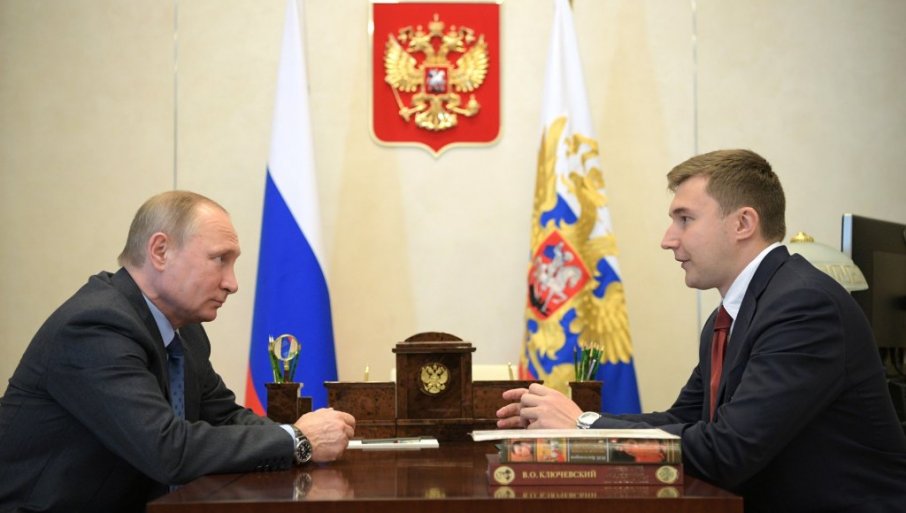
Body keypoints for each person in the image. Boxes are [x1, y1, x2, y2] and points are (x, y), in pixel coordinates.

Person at [497, 150, 906, 512]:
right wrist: (568, 424)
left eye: (685, 219)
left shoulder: (803, 306)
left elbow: (728, 450)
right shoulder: (728, 315)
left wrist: (584, 426)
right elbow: (684, 419)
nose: (667, 240)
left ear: (743, 223)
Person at [0, 191, 356, 512]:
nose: (232, 283)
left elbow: (224, 417)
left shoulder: (185, 331)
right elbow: (167, 449)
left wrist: (297, 438)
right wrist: (297, 440)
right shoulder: (96, 326)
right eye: (219, 259)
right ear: (160, 251)